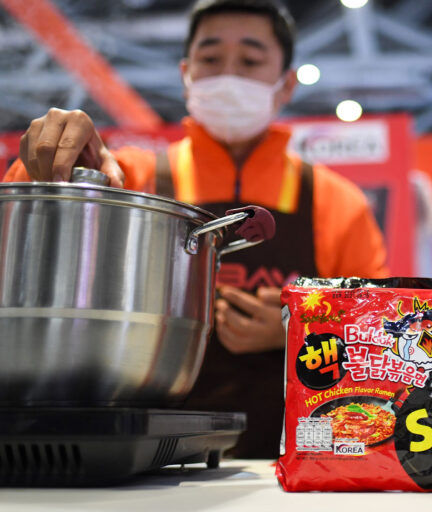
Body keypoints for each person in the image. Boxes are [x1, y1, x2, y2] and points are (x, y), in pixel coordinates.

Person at [6, 0, 389, 459]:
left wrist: (302, 329)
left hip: (296, 466)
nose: (228, 75)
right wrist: (53, 161)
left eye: (250, 61)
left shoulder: (335, 202)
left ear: (286, 84)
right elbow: (34, 222)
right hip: (148, 465)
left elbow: (381, 335)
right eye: (210, 58)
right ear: (186, 73)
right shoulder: (132, 178)